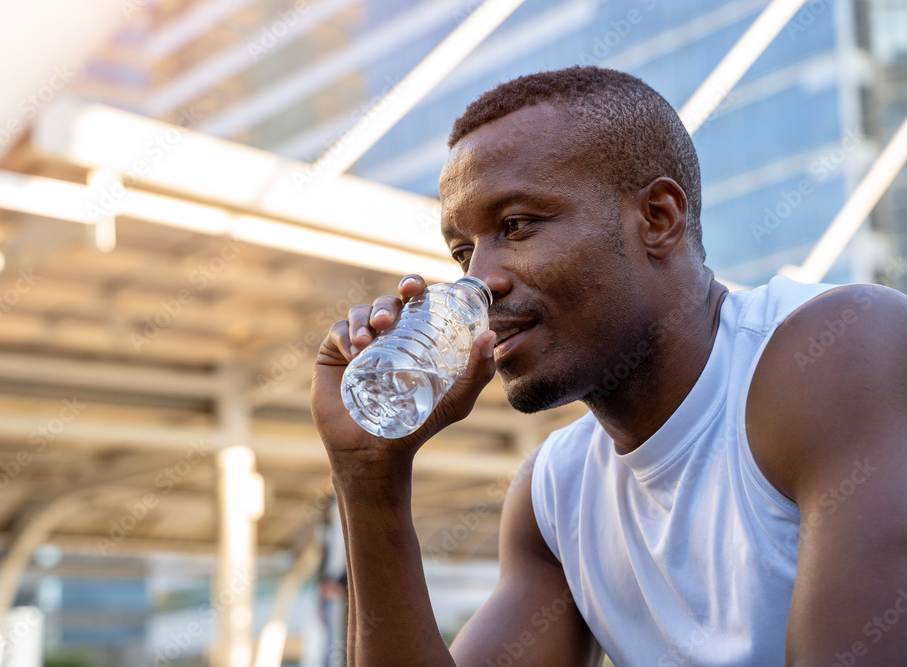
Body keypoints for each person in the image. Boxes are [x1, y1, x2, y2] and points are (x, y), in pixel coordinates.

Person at [309, 66, 907, 665]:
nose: (477, 282)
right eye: (463, 251)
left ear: (658, 219)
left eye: (516, 227)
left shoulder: (837, 352)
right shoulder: (553, 495)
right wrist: (369, 478)